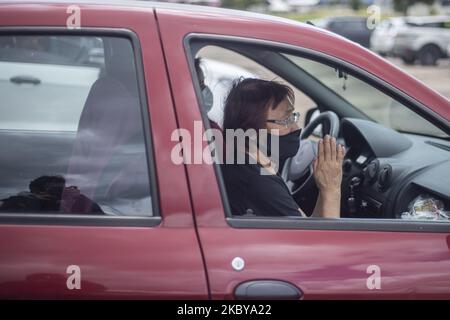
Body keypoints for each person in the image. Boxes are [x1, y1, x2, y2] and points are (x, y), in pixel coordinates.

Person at [221, 78, 344, 218]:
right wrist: (332, 189)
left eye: (293, 117)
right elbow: (324, 239)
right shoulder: (259, 183)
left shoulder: (249, 165)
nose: (295, 128)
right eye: (286, 120)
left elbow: (308, 226)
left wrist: (324, 189)